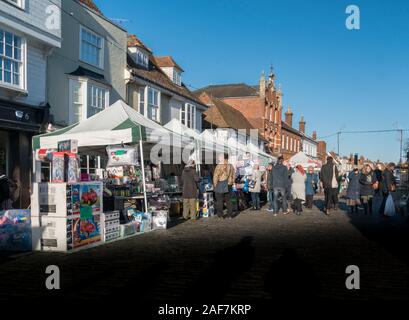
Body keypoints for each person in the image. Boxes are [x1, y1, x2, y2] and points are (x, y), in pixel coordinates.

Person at [213, 153, 235, 219]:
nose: (218, 158)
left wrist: (215, 184)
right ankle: (230, 215)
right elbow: (234, 175)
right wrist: (232, 182)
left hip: (221, 183)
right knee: (228, 200)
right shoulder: (231, 165)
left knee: (219, 200)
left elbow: (215, 176)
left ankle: (220, 215)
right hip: (229, 184)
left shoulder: (219, 165)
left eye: (219, 156)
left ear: (223, 158)